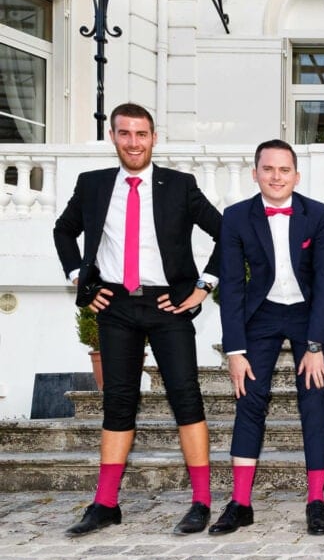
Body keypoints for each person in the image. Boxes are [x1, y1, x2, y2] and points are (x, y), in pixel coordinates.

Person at [53, 102, 221, 537]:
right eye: (125, 133)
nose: (133, 142)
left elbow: (227, 232)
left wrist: (202, 287)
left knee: (186, 397)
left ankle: (201, 502)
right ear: (113, 136)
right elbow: (63, 230)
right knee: (118, 402)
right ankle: (105, 504)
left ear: (154, 138)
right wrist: (79, 279)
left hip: (168, 306)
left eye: (141, 134)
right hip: (115, 307)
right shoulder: (92, 185)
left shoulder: (179, 185)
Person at [208, 139, 324, 536]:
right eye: (269, 169)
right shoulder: (235, 217)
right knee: (248, 399)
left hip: (306, 313)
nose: (276, 177)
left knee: (313, 400)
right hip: (260, 312)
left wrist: (316, 345)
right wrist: (234, 348)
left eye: (284, 170)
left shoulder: (317, 214)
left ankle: (316, 501)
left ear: (296, 176)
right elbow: (230, 284)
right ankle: (241, 502)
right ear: (255, 173)